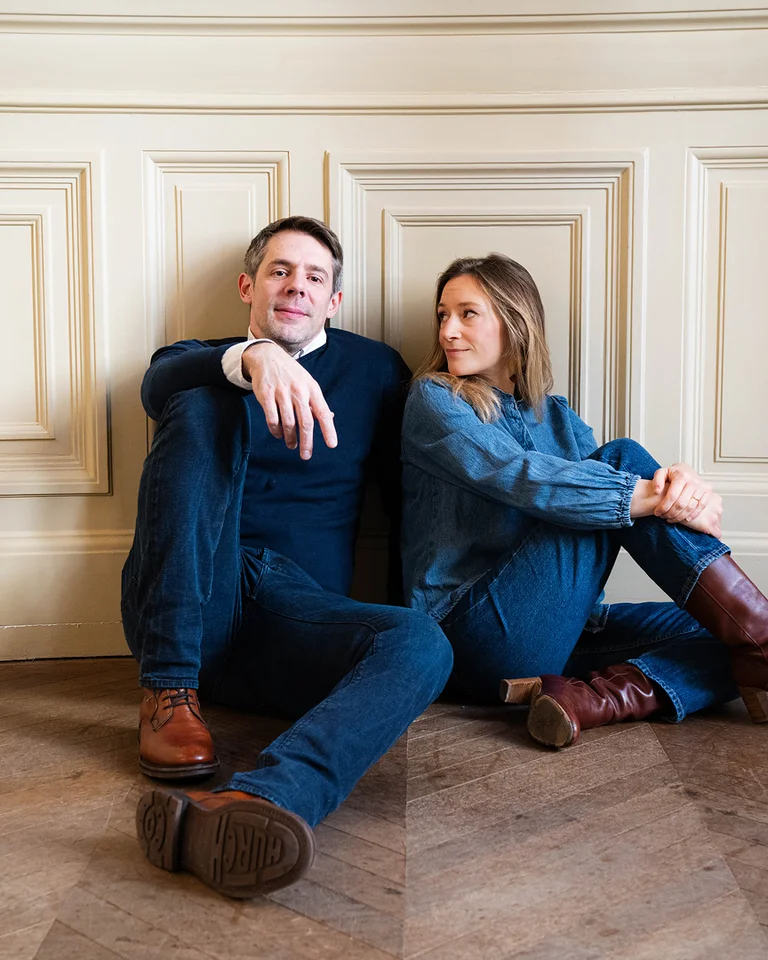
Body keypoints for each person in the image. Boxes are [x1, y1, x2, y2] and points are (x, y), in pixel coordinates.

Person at [122, 216, 452, 899]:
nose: (296, 286)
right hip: (192, 600)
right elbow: (157, 385)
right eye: (279, 271)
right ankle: (169, 692)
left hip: (295, 614)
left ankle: (254, 804)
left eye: (315, 276)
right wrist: (253, 358)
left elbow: (403, 498)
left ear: (333, 301)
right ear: (250, 286)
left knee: (423, 643)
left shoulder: (373, 370)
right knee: (203, 405)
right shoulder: (199, 361)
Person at [401, 252, 768, 751]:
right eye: (443, 315)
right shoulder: (435, 399)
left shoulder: (563, 421)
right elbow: (519, 477)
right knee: (622, 458)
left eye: (467, 313)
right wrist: (657, 494)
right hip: (470, 638)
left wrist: (677, 486)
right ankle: (762, 638)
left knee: (723, 637)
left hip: (566, 633)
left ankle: (589, 701)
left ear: (515, 322)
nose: (447, 331)